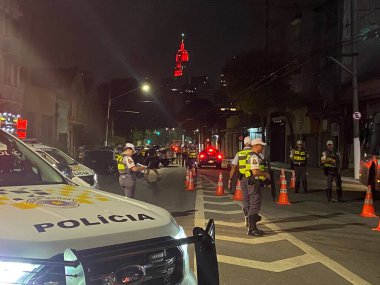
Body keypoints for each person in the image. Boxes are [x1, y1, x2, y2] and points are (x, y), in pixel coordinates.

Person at [247, 138, 271, 237]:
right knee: (254, 205)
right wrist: (265, 174)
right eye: (261, 145)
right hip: (253, 184)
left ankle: (254, 227)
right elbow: (255, 172)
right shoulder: (254, 157)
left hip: (255, 183)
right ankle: (252, 229)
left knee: (255, 204)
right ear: (256, 146)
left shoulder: (256, 156)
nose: (262, 147)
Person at [228, 136, 252, 226]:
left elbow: (233, 168)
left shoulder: (239, 154)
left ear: (244, 143)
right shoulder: (255, 153)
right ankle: (252, 216)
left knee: (245, 197)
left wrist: (230, 179)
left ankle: (246, 213)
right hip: (253, 178)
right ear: (251, 143)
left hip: (243, 179)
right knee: (253, 197)